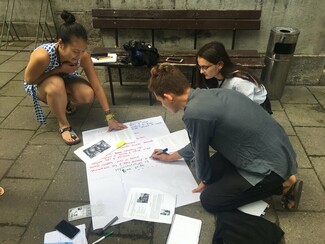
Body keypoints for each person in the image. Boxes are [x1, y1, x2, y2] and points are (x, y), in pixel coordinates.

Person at [148, 64, 303, 214]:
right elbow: (197, 141)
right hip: (277, 149)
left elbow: (201, 154)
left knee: (210, 199)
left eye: (160, 101)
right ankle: (277, 175)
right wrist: (171, 156)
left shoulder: (194, 113)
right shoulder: (211, 94)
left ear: (168, 97)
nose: (162, 105)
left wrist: (205, 180)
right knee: (214, 173)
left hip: (269, 166)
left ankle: (284, 185)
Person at [24, 11, 126, 145]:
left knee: (88, 95)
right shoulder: (43, 56)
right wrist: (59, 69)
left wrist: (109, 116)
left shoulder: (82, 56)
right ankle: (64, 124)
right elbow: (30, 81)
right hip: (41, 83)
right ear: (61, 43)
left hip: (66, 78)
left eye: (83, 50)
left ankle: (64, 102)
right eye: (75, 51)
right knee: (56, 84)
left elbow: (96, 86)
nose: (79, 56)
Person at [196, 41, 272, 114]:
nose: (201, 72)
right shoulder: (212, 76)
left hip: (257, 107)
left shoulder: (239, 81)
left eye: (205, 67)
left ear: (219, 65)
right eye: (200, 67)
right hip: (235, 102)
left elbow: (247, 109)